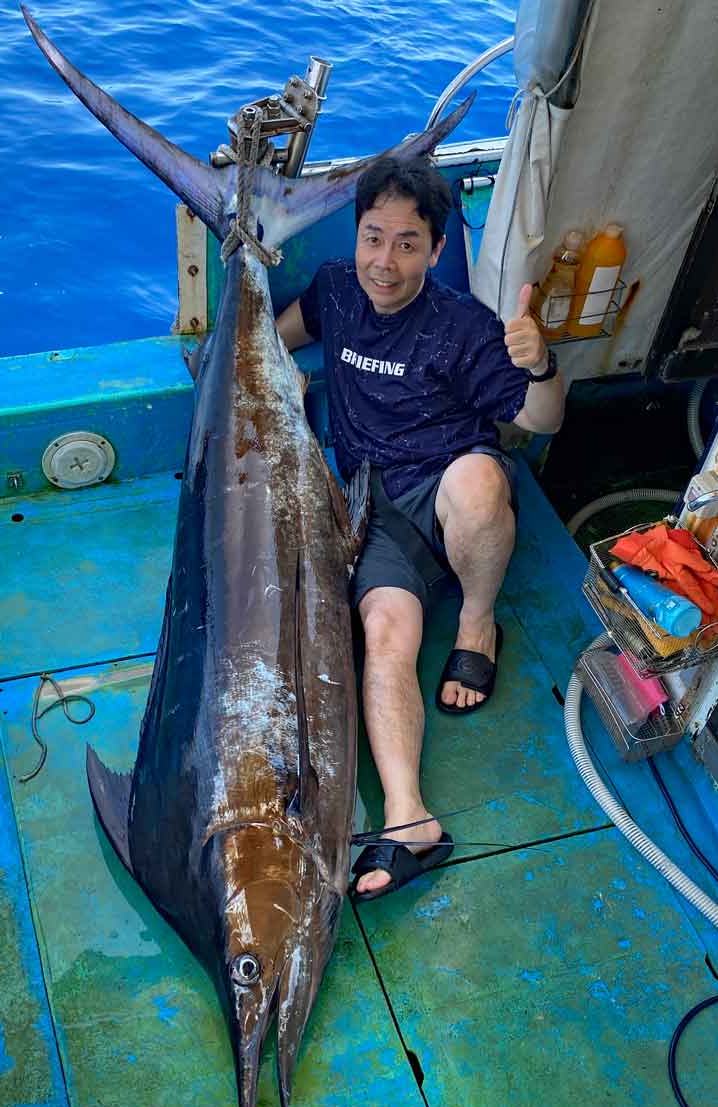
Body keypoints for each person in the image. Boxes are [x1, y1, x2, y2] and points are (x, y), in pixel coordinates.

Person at [275, 156, 565, 900]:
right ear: (357, 234)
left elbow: (538, 419)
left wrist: (542, 365)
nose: (386, 260)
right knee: (385, 635)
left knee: (479, 482)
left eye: (408, 243)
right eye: (375, 237)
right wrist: (265, 375)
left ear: (437, 251)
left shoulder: (461, 325)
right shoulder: (337, 289)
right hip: (375, 508)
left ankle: (477, 624)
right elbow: (282, 336)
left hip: (448, 485)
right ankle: (410, 820)